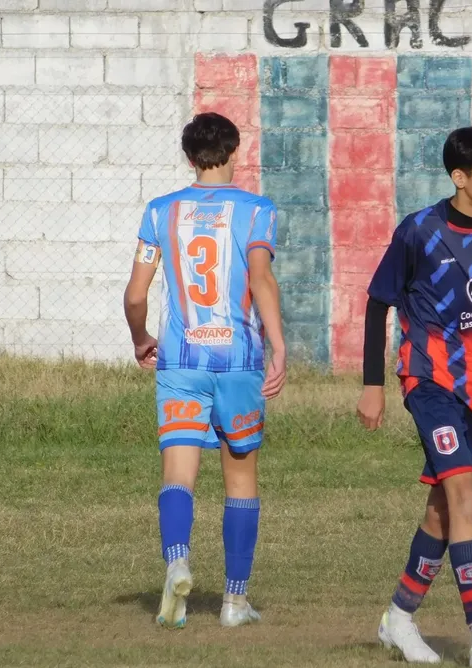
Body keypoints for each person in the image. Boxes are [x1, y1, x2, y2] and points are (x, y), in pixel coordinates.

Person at [356, 126, 472, 668]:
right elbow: (376, 304)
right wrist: (372, 386)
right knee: (463, 499)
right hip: (429, 382)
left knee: (441, 510)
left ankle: (399, 617)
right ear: (460, 178)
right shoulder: (419, 232)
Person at [123, 112, 286, 630]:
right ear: (234, 152)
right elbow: (259, 279)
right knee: (240, 480)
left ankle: (177, 562)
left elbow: (134, 295)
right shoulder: (258, 211)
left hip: (180, 360)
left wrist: (141, 339)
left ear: (189, 157)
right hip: (238, 361)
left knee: (178, 474)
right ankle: (235, 603)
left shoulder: (159, 212)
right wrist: (278, 346)